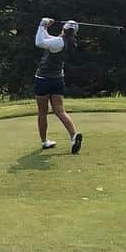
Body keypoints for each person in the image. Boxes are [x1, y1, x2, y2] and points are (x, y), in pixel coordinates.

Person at [34, 17, 83, 154]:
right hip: (57, 79)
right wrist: (45, 28)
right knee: (60, 110)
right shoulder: (66, 42)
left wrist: (42, 24)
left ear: (64, 28)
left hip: (43, 79)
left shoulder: (58, 42)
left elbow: (39, 42)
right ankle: (73, 136)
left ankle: (44, 142)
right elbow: (47, 39)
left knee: (42, 112)